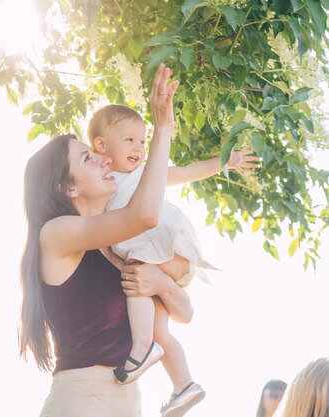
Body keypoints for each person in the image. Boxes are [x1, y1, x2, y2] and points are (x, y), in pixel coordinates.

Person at [19, 64, 192, 417]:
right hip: (81, 401)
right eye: (87, 157)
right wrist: (163, 129)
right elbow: (145, 214)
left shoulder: (118, 248)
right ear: (68, 187)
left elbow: (185, 314)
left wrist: (160, 281)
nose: (104, 158)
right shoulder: (55, 235)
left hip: (128, 403)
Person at [87, 104, 259, 416]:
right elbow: (101, 238)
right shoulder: (101, 181)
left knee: (136, 278)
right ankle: (185, 386)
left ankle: (141, 349)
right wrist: (116, 261)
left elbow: (186, 172)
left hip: (165, 248)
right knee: (160, 331)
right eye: (130, 141)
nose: (139, 148)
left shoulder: (145, 173)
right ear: (101, 145)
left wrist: (226, 162)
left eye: (142, 141)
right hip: (149, 260)